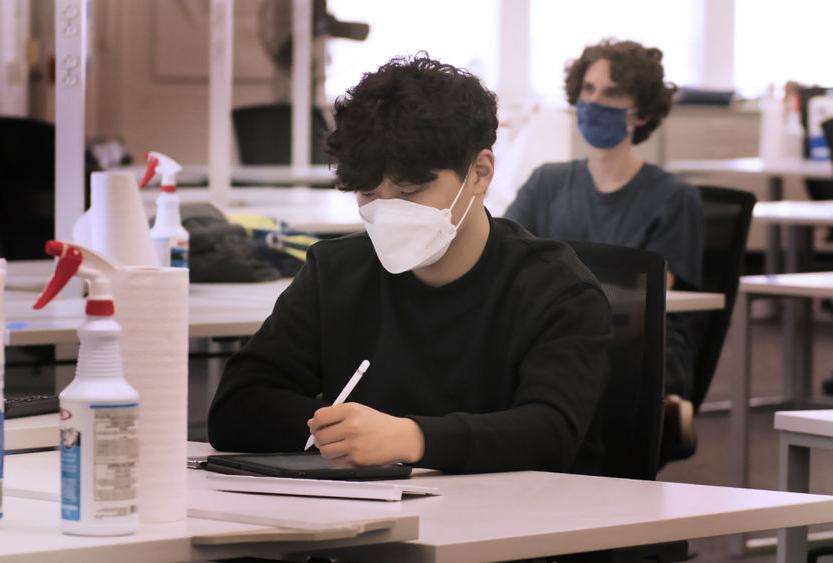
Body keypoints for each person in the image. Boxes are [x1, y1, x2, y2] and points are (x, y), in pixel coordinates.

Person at [208, 54, 611, 475]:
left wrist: (409, 438)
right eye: (367, 194)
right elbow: (237, 407)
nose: (387, 212)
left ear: (480, 171)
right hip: (362, 523)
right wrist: (343, 434)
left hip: (512, 527)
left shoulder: (556, 289)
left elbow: (551, 432)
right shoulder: (336, 272)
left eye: (411, 191)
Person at [504, 39, 703, 463]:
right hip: (553, 336)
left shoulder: (673, 197)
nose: (595, 102)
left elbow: (642, 302)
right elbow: (505, 263)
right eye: (589, 90)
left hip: (638, 348)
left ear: (643, 112)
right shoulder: (547, 182)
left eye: (612, 93)